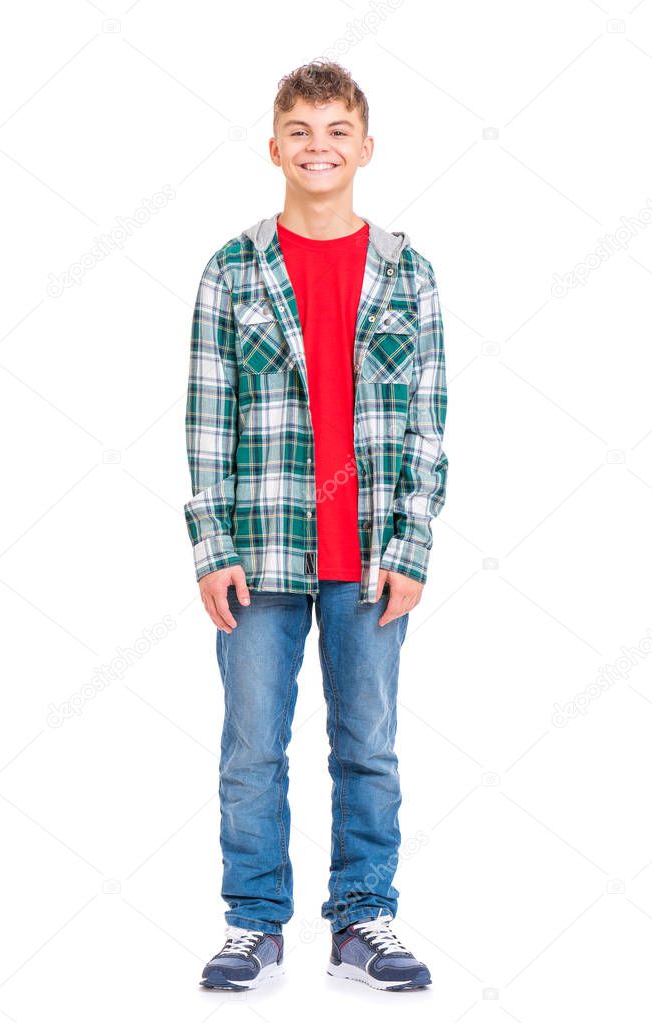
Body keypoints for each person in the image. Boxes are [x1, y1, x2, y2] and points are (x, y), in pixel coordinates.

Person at [184, 60, 449, 992]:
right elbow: (206, 419)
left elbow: (428, 422)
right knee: (252, 743)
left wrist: (412, 547)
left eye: (336, 129)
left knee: (366, 744)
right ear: (273, 147)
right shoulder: (233, 268)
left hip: (371, 556)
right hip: (260, 552)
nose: (318, 146)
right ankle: (252, 922)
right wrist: (210, 546)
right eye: (299, 129)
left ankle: (362, 915)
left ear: (365, 147)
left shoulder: (407, 271)